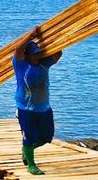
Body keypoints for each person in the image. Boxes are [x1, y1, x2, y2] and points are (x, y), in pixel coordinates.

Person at [12, 26, 62, 175]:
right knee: (28, 138)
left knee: (47, 138)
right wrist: (31, 35)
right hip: (26, 109)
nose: (37, 56)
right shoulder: (21, 65)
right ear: (27, 55)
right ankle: (31, 165)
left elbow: (58, 53)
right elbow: (17, 50)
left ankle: (26, 151)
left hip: (44, 108)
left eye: (38, 53)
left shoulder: (44, 64)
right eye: (34, 54)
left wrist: (46, 38)